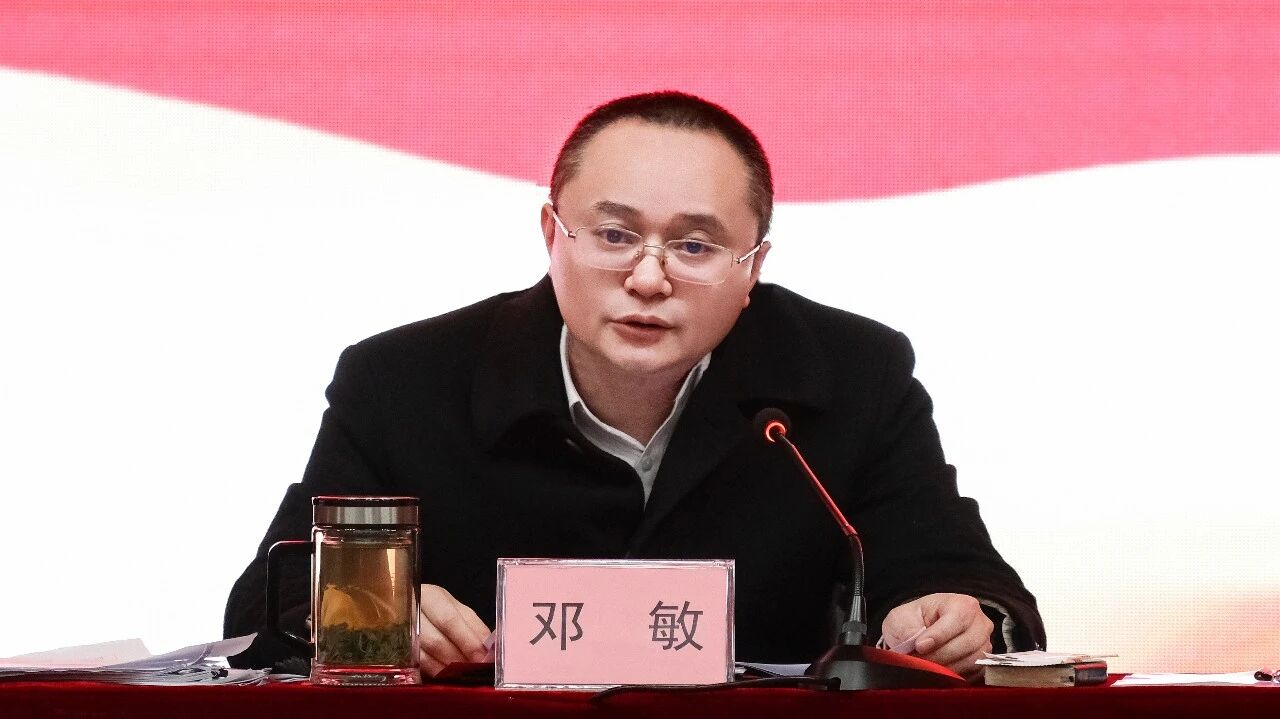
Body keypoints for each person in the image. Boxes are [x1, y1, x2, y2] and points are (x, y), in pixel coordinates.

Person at [225, 91, 1045, 681]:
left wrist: (953, 617)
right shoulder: (404, 380)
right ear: (553, 234)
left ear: (754, 266)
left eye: (695, 247)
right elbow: (266, 608)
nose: (648, 279)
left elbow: (976, 587)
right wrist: (373, 621)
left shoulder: (851, 374)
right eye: (614, 235)